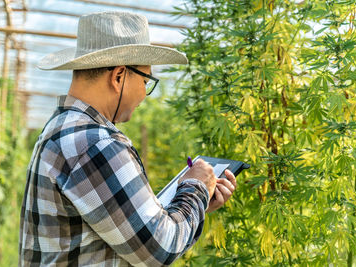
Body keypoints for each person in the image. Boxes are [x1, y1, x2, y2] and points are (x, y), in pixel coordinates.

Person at [19, 11, 236, 266]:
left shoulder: (60, 128)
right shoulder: (96, 144)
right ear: (119, 76)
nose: (145, 94)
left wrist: (192, 208)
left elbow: (129, 232)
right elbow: (161, 247)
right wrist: (196, 187)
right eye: (146, 81)